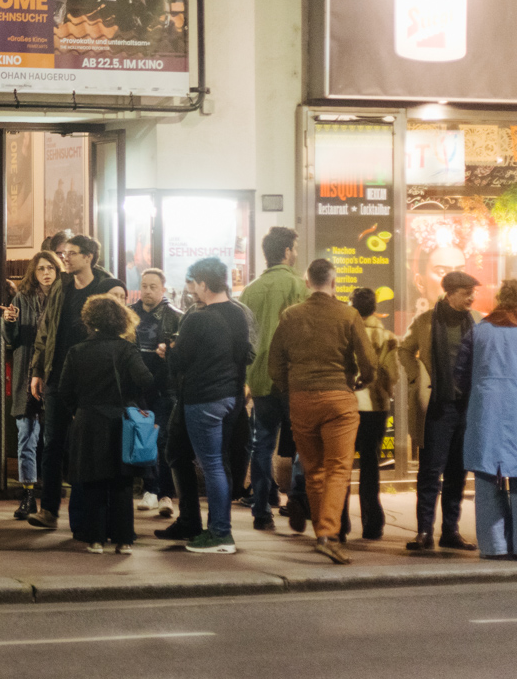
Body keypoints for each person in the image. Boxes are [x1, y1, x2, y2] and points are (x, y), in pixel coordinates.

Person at [267, 259, 378, 565]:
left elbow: (274, 363)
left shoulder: (290, 315)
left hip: (301, 399)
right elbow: (368, 361)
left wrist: (291, 387)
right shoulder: (348, 314)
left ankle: (322, 534)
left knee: (313, 470)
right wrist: (363, 381)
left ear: (307, 283)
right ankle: (328, 535)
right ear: (333, 282)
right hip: (338, 398)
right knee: (338, 469)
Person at [159, 256, 254, 555]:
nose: (192, 290)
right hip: (230, 397)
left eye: (194, 284)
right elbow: (247, 354)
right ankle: (209, 528)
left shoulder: (198, 318)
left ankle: (220, 534)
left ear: (203, 284)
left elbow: (179, 361)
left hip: (203, 398)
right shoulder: (239, 314)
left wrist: (168, 351)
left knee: (212, 465)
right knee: (216, 462)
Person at [28, 234, 123, 532]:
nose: (65, 258)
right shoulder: (62, 286)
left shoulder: (106, 286)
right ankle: (48, 510)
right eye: (63, 253)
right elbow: (46, 328)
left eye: (71, 253)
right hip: (58, 375)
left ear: (89, 257)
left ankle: (84, 516)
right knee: (52, 443)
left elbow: (122, 331)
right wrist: (37, 370)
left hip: (92, 380)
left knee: (85, 448)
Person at [455, 278, 517, 561]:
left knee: (487, 479)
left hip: (486, 410)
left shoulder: (477, 332)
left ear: (500, 300)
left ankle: (493, 546)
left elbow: (460, 374)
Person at [60, 293, 155, 553]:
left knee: (93, 483)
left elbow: (65, 390)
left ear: (89, 320)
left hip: (88, 421)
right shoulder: (127, 349)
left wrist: (77, 410)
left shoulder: (77, 351)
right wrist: (131, 398)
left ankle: (96, 539)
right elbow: (146, 379)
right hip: (121, 422)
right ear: (121, 319)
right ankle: (124, 540)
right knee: (122, 483)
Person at [399, 270, 481, 552]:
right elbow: (404, 350)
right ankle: (424, 531)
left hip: (466, 406)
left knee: (458, 471)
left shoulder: (477, 321)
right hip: (438, 406)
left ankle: (451, 531)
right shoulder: (425, 321)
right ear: (450, 293)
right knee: (430, 471)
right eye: (466, 293)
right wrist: (417, 376)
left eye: (473, 292)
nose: (471, 298)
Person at [239, 227, 304, 532]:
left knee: (262, 444)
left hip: (259, 378)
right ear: (287, 251)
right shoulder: (297, 285)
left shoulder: (250, 290)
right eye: (295, 248)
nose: (296, 253)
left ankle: (262, 509)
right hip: (291, 378)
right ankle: (298, 502)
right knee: (303, 442)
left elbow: (244, 338)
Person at [5, 251, 64, 520]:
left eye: (50, 268)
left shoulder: (64, 297)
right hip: (26, 371)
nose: (46, 273)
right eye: (41, 269)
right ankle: (28, 495)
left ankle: (51, 494)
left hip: (54, 374)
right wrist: (9, 322)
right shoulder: (22, 298)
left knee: (53, 439)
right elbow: (11, 340)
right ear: (34, 272)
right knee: (26, 435)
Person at [340, 286, 398, 542]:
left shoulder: (343, 332)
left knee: (341, 464)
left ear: (352, 306)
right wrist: (386, 391)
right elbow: (392, 373)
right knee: (370, 463)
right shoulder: (386, 336)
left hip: (347, 404)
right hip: (375, 406)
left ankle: (340, 522)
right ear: (374, 308)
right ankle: (372, 523)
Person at [132, 268, 182, 515]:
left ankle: (166, 494)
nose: (148, 291)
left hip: (165, 387)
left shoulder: (175, 316)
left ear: (163, 289)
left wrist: (171, 350)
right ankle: (150, 489)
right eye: (144, 286)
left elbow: (183, 354)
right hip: (138, 388)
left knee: (163, 440)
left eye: (153, 287)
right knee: (144, 439)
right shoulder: (130, 314)